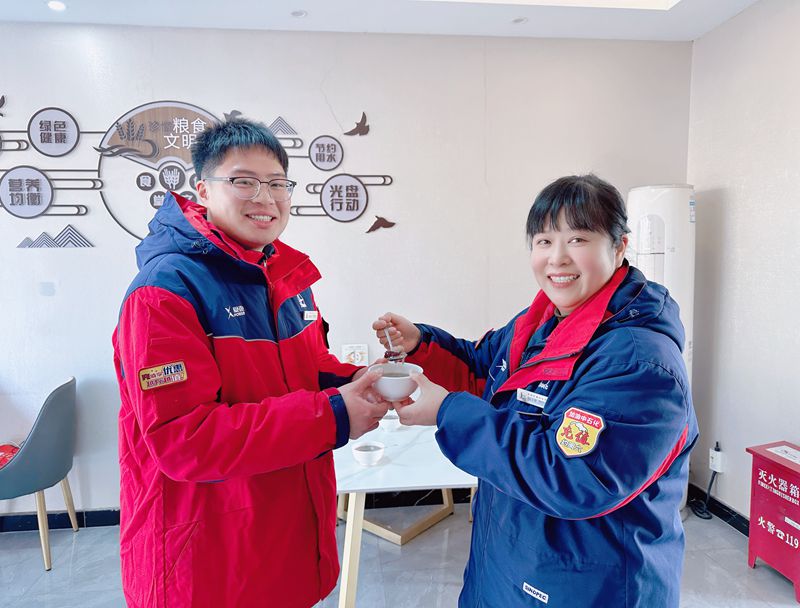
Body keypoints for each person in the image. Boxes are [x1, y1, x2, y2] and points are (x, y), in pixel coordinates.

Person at [373, 174, 698, 607]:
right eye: (544, 241)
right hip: (508, 560)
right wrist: (420, 344)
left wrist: (449, 412)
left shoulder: (638, 362)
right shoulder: (541, 321)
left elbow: (573, 478)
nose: (557, 258)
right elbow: (481, 369)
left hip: (586, 584)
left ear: (619, 246)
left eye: (578, 239)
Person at [112, 118, 389, 608]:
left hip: (284, 534)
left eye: (278, 183)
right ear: (203, 190)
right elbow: (184, 439)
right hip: (205, 558)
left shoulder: (284, 275)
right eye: (244, 181)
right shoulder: (164, 293)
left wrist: (361, 380)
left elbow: (306, 367)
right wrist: (334, 413)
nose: (266, 198)